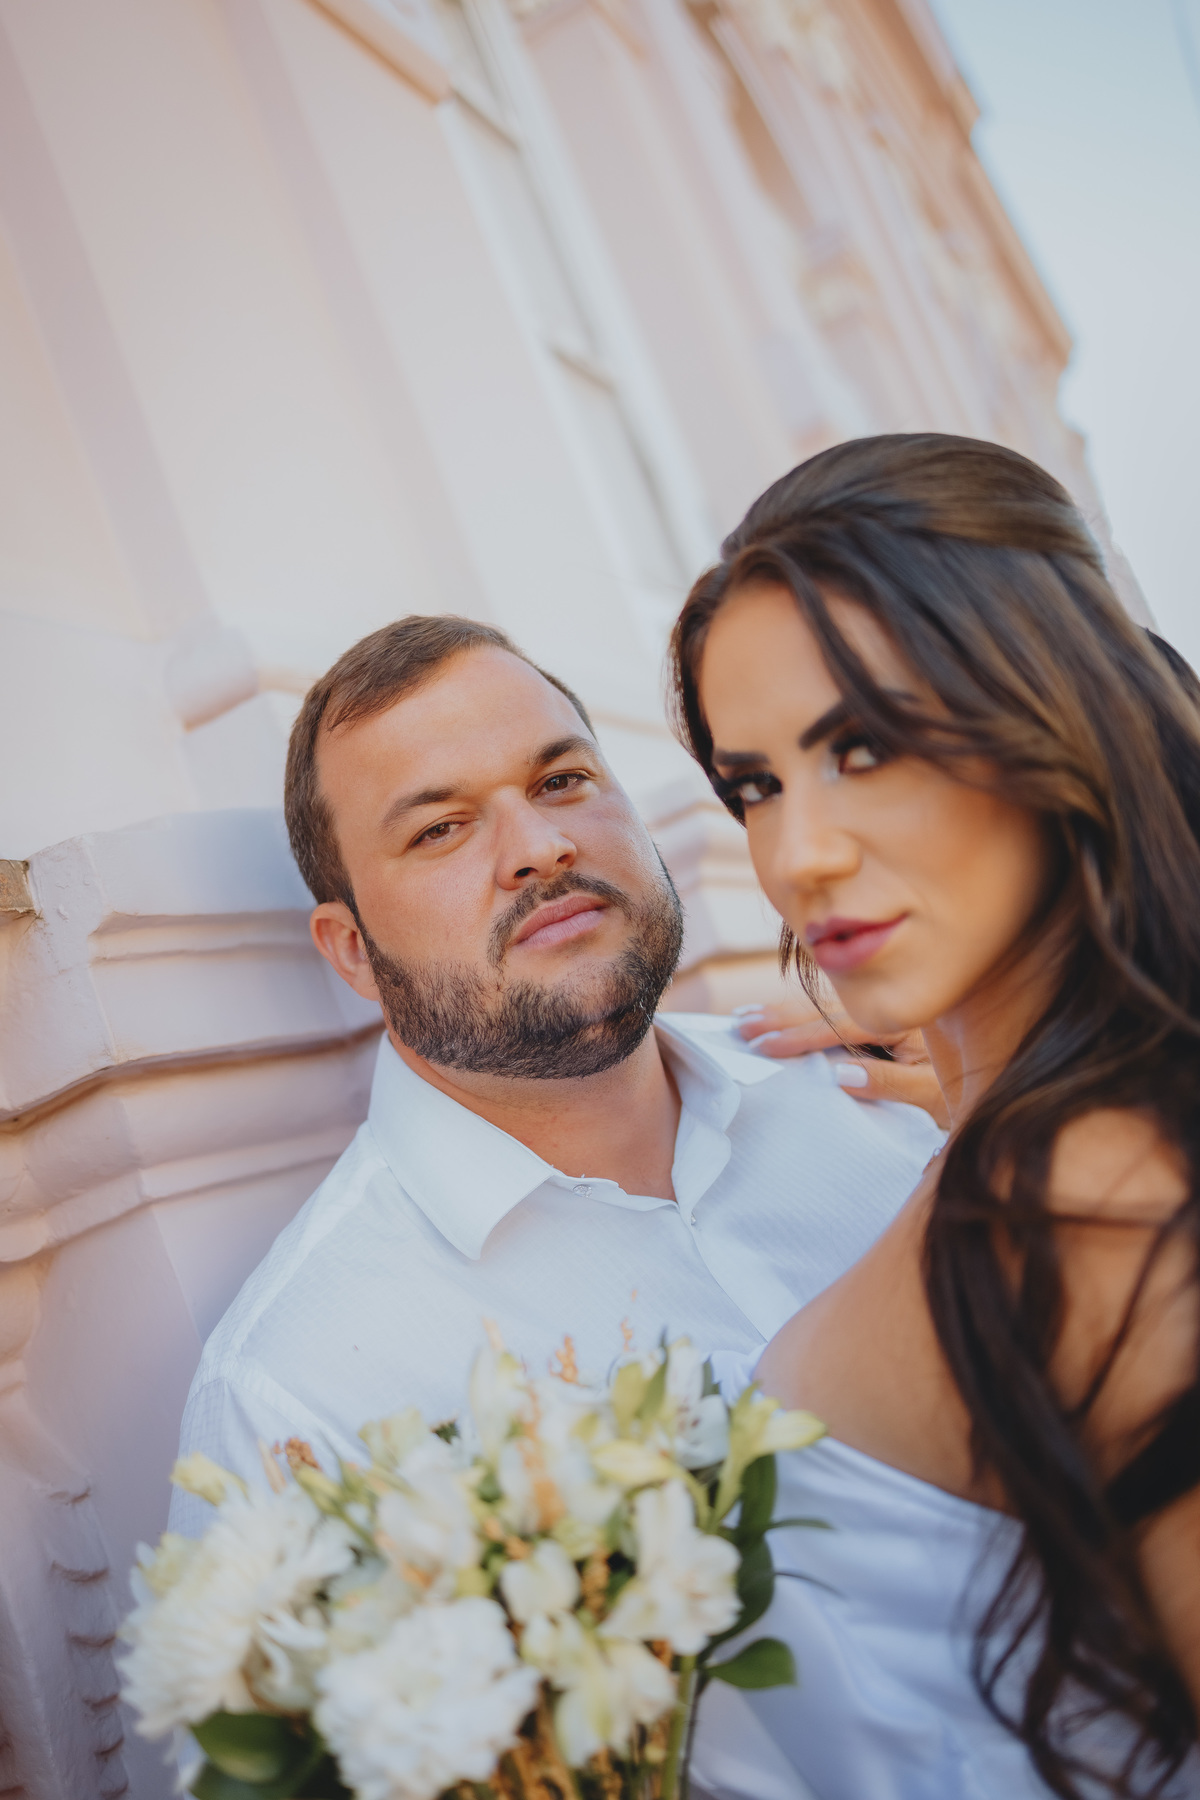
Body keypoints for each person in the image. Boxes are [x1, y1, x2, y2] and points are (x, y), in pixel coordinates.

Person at [671, 435, 1200, 1800]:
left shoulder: (1079, 1203)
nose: (798, 857)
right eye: (755, 785)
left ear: (1046, 707)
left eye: (865, 745)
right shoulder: (1021, 1131)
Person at [170, 615, 942, 1537]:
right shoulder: (295, 1401)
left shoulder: (892, 1091)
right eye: (441, 828)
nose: (539, 845)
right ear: (353, 952)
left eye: (562, 781)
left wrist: (1006, 1103)